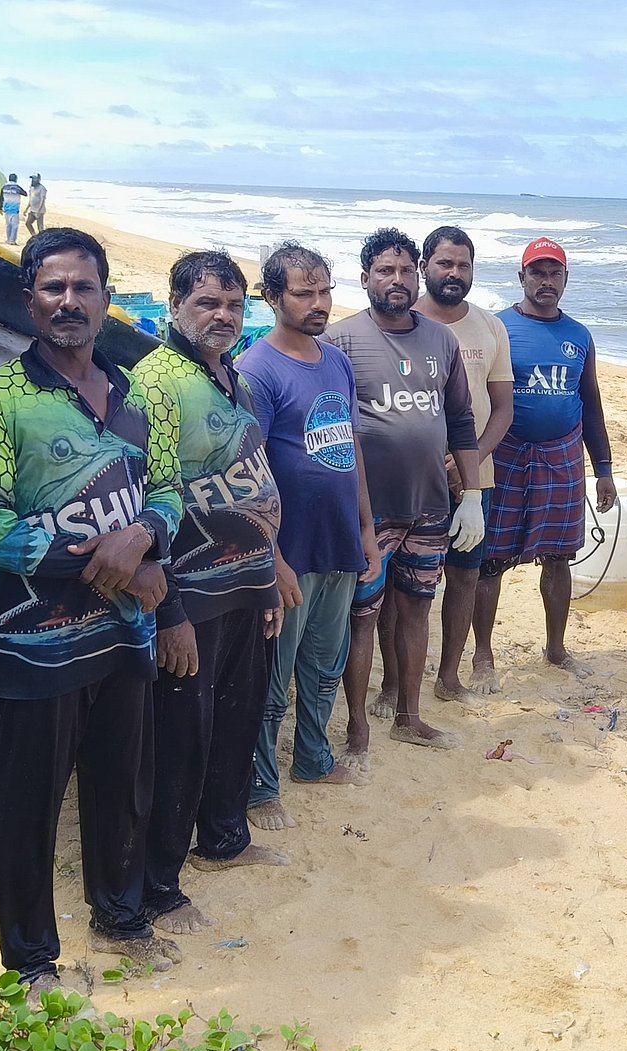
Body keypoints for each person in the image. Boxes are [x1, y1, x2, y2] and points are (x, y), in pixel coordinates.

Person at [0, 227, 184, 992]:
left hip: (126, 636)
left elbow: (168, 490)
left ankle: (120, 915)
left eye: (83, 287)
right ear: (29, 300)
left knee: (122, 781)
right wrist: (111, 566)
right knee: (25, 804)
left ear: (105, 298)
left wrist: (146, 535)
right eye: (52, 288)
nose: (68, 302)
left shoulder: (131, 394)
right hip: (34, 643)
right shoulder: (0, 398)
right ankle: (30, 960)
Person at [132, 250, 288, 934]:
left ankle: (224, 839)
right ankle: (161, 885)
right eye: (206, 304)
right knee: (179, 744)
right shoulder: (155, 384)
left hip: (245, 582)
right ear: (174, 308)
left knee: (236, 723)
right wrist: (169, 613)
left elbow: (254, 480)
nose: (221, 316)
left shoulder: (236, 378)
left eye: (232, 304)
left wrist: (269, 575)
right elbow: (148, 502)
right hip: (189, 595)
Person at [237, 242, 381, 831]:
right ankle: (260, 784)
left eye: (325, 290)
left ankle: (314, 760)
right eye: (304, 292)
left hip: (339, 540)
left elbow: (352, 450)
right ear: (272, 297)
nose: (320, 303)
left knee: (324, 662)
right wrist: (270, 557)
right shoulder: (256, 370)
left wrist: (368, 528)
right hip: (288, 550)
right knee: (274, 670)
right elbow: (246, 471)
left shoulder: (335, 360)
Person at [325, 228, 482, 759]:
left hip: (431, 507)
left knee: (418, 608)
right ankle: (357, 729)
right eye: (385, 271)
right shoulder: (340, 342)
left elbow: (460, 420)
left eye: (405, 271)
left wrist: (474, 495)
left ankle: (410, 717)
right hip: (369, 512)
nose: (397, 280)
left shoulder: (442, 341)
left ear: (417, 275)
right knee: (363, 615)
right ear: (365, 277)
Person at [474, 237, 617, 686]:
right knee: (490, 559)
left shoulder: (579, 336)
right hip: (506, 455)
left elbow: (590, 404)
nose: (546, 281)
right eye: (537, 273)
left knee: (559, 557)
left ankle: (555, 649)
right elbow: (475, 399)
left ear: (566, 280)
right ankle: (482, 656)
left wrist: (605, 470)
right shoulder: (497, 328)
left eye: (555, 273)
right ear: (522, 278)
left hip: (562, 457)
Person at [412, 225, 514, 700]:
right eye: (444, 263)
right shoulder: (399, 319)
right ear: (424, 266)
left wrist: (471, 459)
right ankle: (394, 684)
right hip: (410, 479)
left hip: (476, 480)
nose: (454, 273)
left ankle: (449, 678)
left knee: (466, 574)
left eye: (463, 265)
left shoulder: (491, 327)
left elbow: (503, 408)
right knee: (404, 585)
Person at [0, 172, 28, 244]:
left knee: (8, 225)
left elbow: (1, 198)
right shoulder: (17, 187)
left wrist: (0, 207)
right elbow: (25, 194)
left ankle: (8, 239)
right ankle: (12, 241)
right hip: (15, 209)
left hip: (6, 209)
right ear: (16, 179)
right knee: (15, 226)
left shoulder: (4, 187)